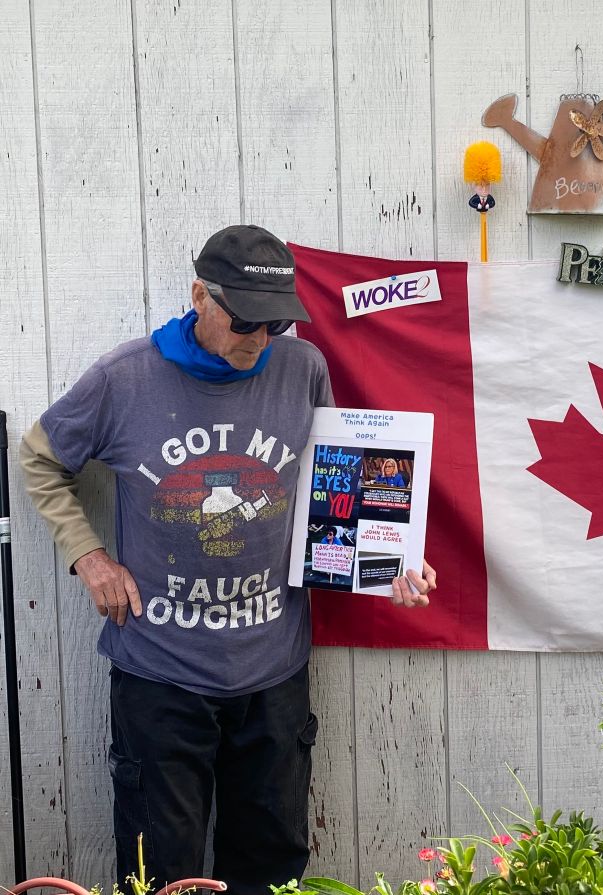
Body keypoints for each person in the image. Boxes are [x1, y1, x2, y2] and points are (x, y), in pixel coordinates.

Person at [20, 225, 436, 895]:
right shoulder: (125, 379)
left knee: (271, 869)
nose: (260, 338)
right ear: (199, 296)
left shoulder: (304, 369)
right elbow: (39, 455)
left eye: (277, 323)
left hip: (272, 674)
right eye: (245, 318)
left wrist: (388, 563)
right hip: (160, 675)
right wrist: (88, 556)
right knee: (161, 873)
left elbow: (334, 488)